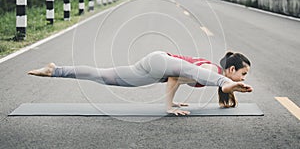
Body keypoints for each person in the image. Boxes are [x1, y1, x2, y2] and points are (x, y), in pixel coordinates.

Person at [28, 51, 252, 116]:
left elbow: (178, 79)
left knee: (105, 77)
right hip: (161, 63)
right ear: (231, 70)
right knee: (199, 73)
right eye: (243, 74)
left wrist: (175, 102)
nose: (244, 78)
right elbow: (175, 76)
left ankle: (55, 70)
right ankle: (224, 83)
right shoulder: (211, 69)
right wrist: (168, 107)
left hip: (153, 67)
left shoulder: (207, 72)